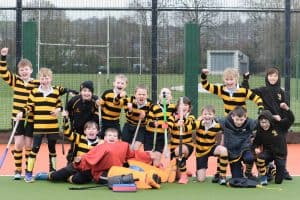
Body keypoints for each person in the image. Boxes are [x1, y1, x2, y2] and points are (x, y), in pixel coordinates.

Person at [0, 47, 70, 180]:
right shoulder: (16, 81)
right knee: (19, 144)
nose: (24, 72)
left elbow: (51, 86)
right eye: (21, 70)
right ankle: (17, 170)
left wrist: (66, 90)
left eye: (26, 69)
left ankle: (28, 170)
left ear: (31, 70)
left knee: (29, 145)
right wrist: (3, 57)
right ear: (19, 72)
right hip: (18, 117)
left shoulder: (36, 83)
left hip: (32, 118)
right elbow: (3, 73)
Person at [242, 68, 293, 180]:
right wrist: (245, 79)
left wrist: (283, 120)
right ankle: (267, 171)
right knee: (266, 148)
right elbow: (246, 92)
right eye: (270, 76)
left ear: (278, 78)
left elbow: (285, 108)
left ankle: (282, 170)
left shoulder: (282, 92)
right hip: (266, 124)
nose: (272, 78)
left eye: (275, 76)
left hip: (280, 125)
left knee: (281, 147)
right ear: (267, 77)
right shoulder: (263, 90)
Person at [71, 128, 161, 189]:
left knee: (132, 171)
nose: (112, 138)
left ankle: (152, 176)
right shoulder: (101, 147)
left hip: (117, 170)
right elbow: (88, 159)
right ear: (105, 138)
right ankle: (147, 179)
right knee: (78, 178)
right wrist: (78, 163)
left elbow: (133, 154)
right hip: (102, 174)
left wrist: (148, 155)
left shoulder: (123, 146)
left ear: (118, 139)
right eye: (109, 136)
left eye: (114, 136)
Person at [16, 68, 63, 183]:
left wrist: (58, 110)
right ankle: (28, 173)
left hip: (52, 127)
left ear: (50, 79)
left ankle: (53, 172)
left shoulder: (56, 92)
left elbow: (60, 105)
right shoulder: (34, 92)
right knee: (34, 149)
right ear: (39, 79)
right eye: (42, 78)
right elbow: (29, 106)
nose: (44, 80)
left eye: (46, 78)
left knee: (52, 150)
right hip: (39, 126)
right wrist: (22, 112)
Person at [35, 120, 101, 183]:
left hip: (88, 169)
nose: (91, 131)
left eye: (94, 129)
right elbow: (67, 132)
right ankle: (47, 176)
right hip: (76, 165)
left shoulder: (101, 143)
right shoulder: (79, 138)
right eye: (88, 129)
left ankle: (68, 178)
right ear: (85, 131)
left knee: (78, 180)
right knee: (56, 176)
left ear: (97, 131)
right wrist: (65, 119)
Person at [253, 103, 294, 184]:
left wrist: (287, 109)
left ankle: (271, 169)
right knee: (259, 157)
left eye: (266, 122)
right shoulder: (260, 130)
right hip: (268, 153)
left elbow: (291, 119)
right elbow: (255, 143)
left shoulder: (280, 125)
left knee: (278, 181)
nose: (264, 125)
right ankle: (263, 176)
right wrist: (255, 148)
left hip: (280, 153)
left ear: (270, 120)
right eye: (262, 122)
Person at [65, 80, 99, 163]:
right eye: (84, 91)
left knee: (90, 152)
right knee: (74, 152)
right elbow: (66, 110)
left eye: (89, 91)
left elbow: (100, 114)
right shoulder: (74, 100)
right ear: (81, 92)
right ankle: (70, 169)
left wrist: (100, 105)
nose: (86, 93)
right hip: (77, 132)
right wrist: (66, 115)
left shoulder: (96, 101)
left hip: (90, 132)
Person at [218, 106, 257, 179]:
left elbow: (261, 122)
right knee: (237, 178)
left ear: (245, 117)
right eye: (237, 119)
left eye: (241, 120)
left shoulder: (250, 122)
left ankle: (248, 172)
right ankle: (222, 174)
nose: (239, 122)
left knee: (250, 158)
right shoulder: (225, 121)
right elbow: (214, 120)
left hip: (245, 148)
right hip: (232, 152)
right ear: (232, 116)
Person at [194, 105, 228, 185]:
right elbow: (189, 126)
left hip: (212, 148)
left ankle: (221, 175)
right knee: (201, 179)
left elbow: (225, 131)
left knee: (223, 150)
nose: (207, 116)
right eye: (205, 114)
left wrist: (222, 143)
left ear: (214, 115)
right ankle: (199, 172)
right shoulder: (198, 123)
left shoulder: (217, 125)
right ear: (201, 115)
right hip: (201, 152)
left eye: (210, 114)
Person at [144, 88, 176, 166]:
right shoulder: (154, 107)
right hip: (150, 134)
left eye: (168, 93)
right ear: (159, 96)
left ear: (171, 97)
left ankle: (157, 167)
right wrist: (154, 123)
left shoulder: (173, 108)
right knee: (148, 158)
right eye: (163, 93)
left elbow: (174, 118)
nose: (165, 95)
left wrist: (168, 126)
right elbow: (147, 121)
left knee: (156, 160)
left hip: (162, 136)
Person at [167, 96, 195, 184]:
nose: (183, 107)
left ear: (189, 107)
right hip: (174, 147)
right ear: (177, 107)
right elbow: (168, 129)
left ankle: (184, 176)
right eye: (181, 105)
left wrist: (183, 123)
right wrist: (173, 122)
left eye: (186, 105)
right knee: (175, 177)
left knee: (180, 150)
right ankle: (184, 171)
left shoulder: (191, 117)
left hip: (187, 146)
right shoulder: (172, 117)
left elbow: (189, 126)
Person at [122, 84, 152, 150]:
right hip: (129, 125)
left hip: (141, 127)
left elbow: (149, 120)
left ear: (147, 95)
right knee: (125, 146)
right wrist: (130, 110)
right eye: (139, 94)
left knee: (135, 147)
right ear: (135, 94)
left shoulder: (150, 104)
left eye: (144, 94)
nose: (141, 96)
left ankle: (132, 157)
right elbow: (127, 116)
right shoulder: (129, 101)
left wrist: (144, 117)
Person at [97, 74, 128, 138]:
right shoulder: (107, 93)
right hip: (105, 120)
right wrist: (98, 103)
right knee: (103, 137)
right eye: (118, 83)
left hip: (115, 121)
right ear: (114, 83)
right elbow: (100, 105)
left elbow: (117, 103)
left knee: (118, 137)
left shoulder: (125, 97)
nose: (120, 85)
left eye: (122, 83)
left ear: (125, 85)